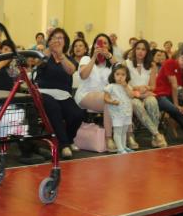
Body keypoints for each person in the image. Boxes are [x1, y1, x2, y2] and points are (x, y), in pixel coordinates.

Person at [35, 28, 84, 159]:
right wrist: (49, 51)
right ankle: (64, 145)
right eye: (54, 37)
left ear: (65, 42)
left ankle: (68, 139)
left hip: (63, 94)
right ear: (49, 41)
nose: (57, 40)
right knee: (54, 108)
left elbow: (70, 70)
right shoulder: (44, 55)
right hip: (44, 92)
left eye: (60, 37)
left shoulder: (68, 59)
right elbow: (37, 63)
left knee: (77, 114)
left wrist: (60, 55)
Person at [74, 33, 126, 152]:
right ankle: (108, 138)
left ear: (109, 47)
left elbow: (123, 72)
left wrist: (109, 56)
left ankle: (127, 136)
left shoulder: (111, 64)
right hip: (85, 95)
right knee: (109, 99)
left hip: (104, 97)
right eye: (99, 43)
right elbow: (83, 75)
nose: (101, 46)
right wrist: (94, 57)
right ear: (94, 45)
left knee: (118, 100)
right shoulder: (86, 58)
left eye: (105, 43)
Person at [154, 46, 183, 141]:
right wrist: (176, 105)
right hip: (160, 95)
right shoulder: (170, 62)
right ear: (178, 56)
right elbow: (174, 85)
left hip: (171, 96)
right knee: (174, 109)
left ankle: (174, 119)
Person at [125, 40, 167, 148]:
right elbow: (124, 85)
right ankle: (157, 134)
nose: (140, 51)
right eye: (138, 48)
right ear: (134, 50)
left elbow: (153, 86)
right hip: (131, 95)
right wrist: (138, 89)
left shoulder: (152, 65)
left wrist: (146, 88)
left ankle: (154, 138)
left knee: (152, 101)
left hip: (145, 93)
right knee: (136, 104)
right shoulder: (126, 63)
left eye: (143, 49)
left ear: (147, 52)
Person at [104, 64, 135, 154]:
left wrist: (125, 86)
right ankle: (120, 149)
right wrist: (111, 101)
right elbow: (105, 98)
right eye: (117, 74)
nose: (120, 77)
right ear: (113, 75)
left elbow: (132, 96)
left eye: (123, 75)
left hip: (126, 112)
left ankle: (124, 146)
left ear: (127, 76)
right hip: (117, 113)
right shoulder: (110, 86)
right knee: (118, 131)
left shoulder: (128, 86)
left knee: (124, 131)